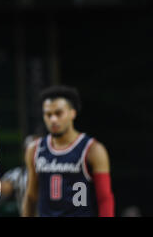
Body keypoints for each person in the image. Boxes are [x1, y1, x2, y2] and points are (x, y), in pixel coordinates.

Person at [22, 85, 115, 217]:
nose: (53, 119)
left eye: (58, 113)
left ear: (73, 113)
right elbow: (31, 196)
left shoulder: (93, 149)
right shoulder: (34, 149)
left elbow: (104, 198)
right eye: (48, 114)